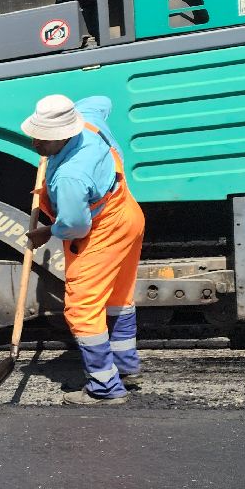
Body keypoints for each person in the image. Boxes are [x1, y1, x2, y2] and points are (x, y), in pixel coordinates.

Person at [23, 94, 145, 406]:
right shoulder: (89, 118)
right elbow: (103, 99)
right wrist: (65, 111)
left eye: (43, 138)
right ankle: (126, 368)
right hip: (127, 215)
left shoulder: (70, 176)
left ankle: (105, 388)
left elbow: (77, 226)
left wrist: (45, 233)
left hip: (102, 230)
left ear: (62, 137)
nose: (35, 142)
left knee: (83, 309)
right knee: (118, 297)